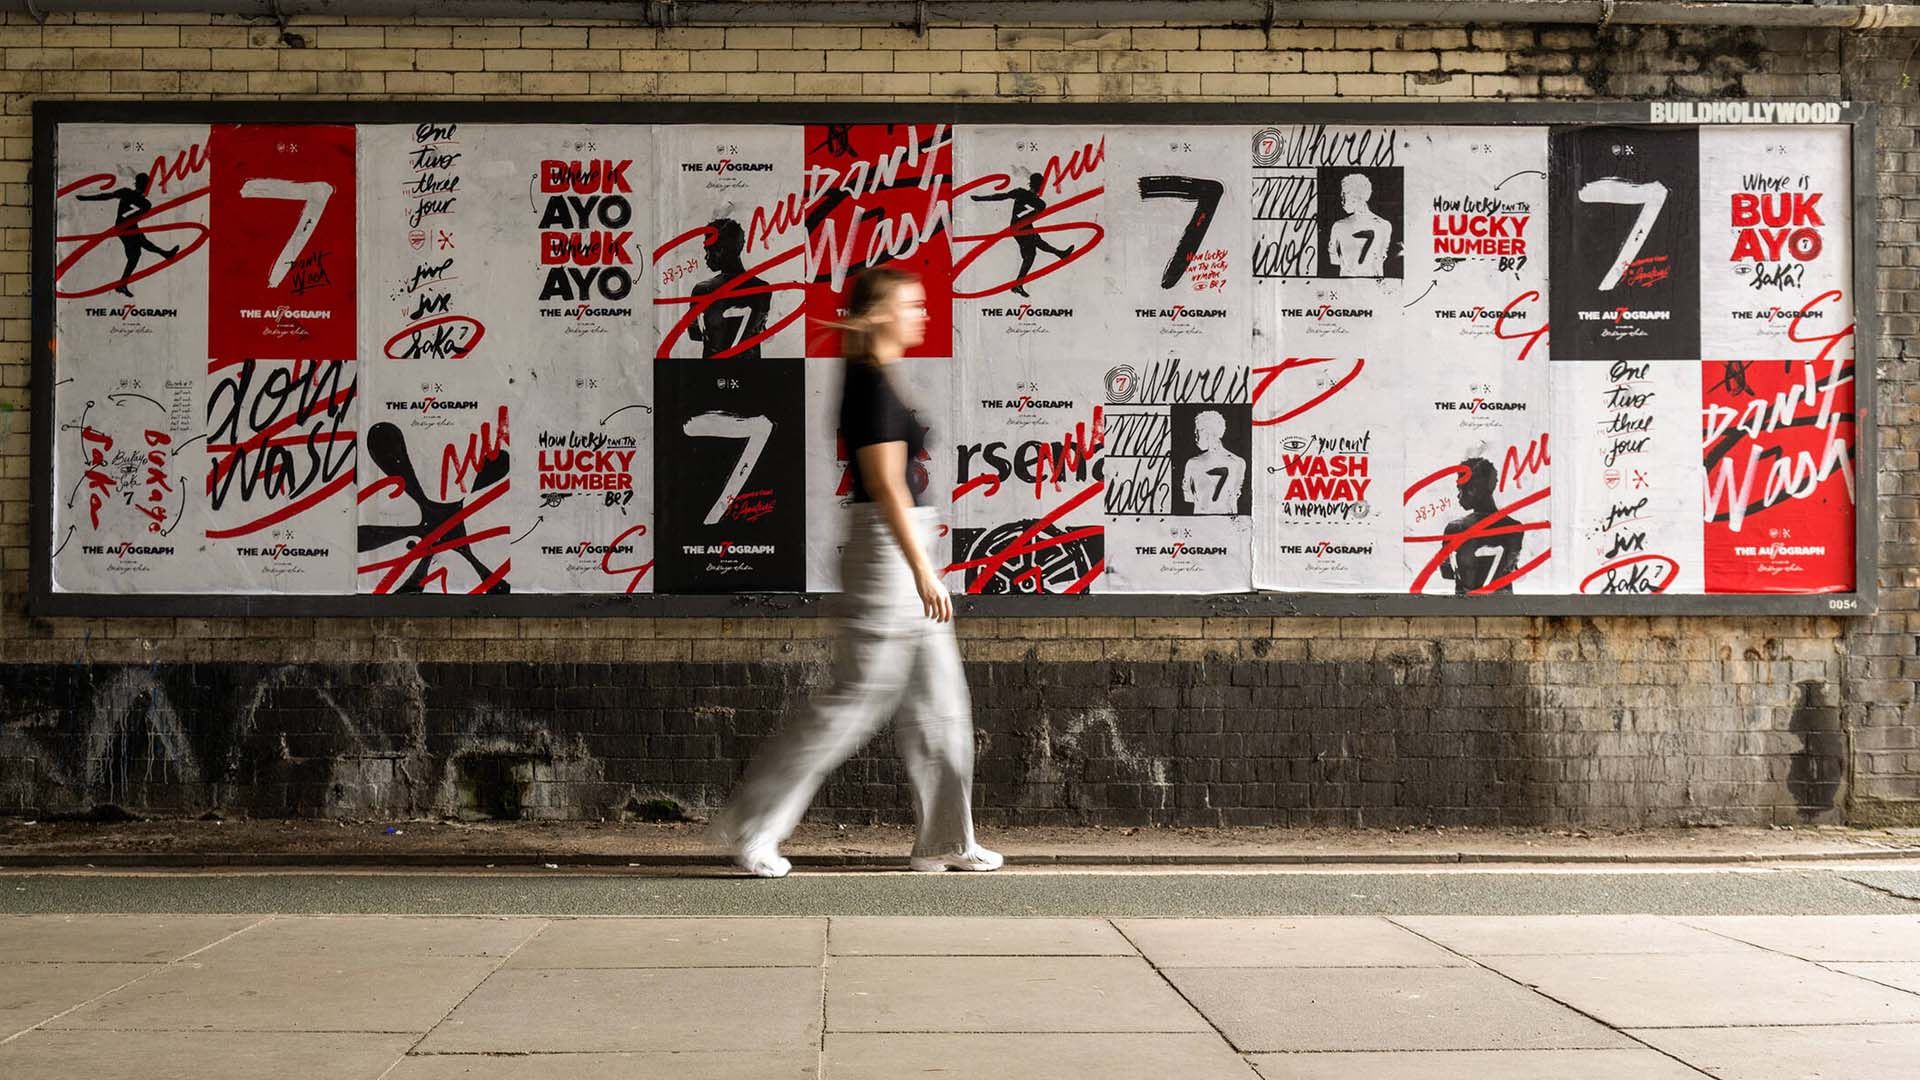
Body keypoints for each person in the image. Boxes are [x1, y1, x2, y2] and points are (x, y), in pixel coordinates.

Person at [709, 266, 1002, 878]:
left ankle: (945, 840)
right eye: (911, 303)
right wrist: (922, 570)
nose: (923, 312)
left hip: (908, 548)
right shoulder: (868, 384)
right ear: (879, 315)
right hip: (889, 555)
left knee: (943, 706)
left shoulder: (881, 375)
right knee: (853, 702)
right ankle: (753, 830)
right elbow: (885, 484)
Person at [76, 171, 179, 298]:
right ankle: (164, 255)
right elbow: (106, 197)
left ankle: (124, 283)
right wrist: (86, 198)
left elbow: (105, 196)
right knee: (139, 250)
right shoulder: (145, 203)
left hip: (128, 228)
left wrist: (86, 198)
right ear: (145, 186)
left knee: (139, 250)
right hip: (124, 229)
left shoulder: (132, 195)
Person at [971, 172, 1075, 297]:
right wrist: (980, 198)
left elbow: (1000, 196)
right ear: (1039, 186)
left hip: (1021, 227)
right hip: (1019, 228)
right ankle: (1019, 284)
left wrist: (980, 198)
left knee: (1036, 245)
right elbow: (1001, 197)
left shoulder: (1024, 194)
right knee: (1032, 252)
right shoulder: (1040, 203)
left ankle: (1059, 254)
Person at [1440, 456, 1522, 595]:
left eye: (1460, 489)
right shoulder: (1515, 528)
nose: (1458, 496)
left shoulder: (1455, 528)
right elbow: (1512, 570)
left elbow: (1446, 572)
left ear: (1472, 489)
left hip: (1466, 607)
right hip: (1503, 606)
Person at [1181, 410, 1246, 514]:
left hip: (1201, 524)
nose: (1195, 435)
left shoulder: (1192, 463)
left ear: (1205, 432)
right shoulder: (1239, 463)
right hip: (1229, 525)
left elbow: (1188, 497)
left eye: (1197, 430)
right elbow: (1235, 495)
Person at [1326, 172, 1391, 278]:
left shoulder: (1339, 226)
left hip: (1348, 285)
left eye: (1344, 194)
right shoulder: (1385, 225)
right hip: (1374, 285)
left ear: (1353, 197)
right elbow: (1381, 258)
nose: (1341, 199)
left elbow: (1334, 260)